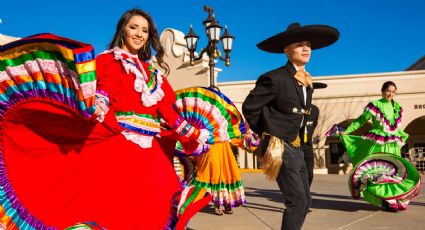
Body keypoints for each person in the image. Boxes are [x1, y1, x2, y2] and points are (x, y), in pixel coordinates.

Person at [0, 8, 211, 229]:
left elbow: (168, 111)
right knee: (123, 208)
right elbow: (103, 92)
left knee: (162, 199)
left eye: (145, 30)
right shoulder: (110, 60)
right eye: (134, 27)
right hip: (122, 147)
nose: (139, 34)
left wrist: (194, 134)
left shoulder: (153, 73)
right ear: (123, 30)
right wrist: (98, 106)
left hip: (153, 152)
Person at [242, 22, 339, 230]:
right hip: (280, 145)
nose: (306, 49)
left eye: (308, 45)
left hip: (298, 148)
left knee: (305, 201)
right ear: (287, 50)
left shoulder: (306, 81)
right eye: (299, 44)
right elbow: (250, 108)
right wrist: (269, 133)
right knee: (297, 202)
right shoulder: (275, 78)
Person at [336, 81, 421, 211]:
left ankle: (393, 198)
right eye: (388, 91)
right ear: (382, 91)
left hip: (392, 144)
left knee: (394, 171)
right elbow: (361, 120)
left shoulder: (397, 107)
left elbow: (395, 127)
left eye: (393, 92)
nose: (390, 94)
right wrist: (347, 131)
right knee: (380, 171)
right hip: (378, 142)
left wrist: (400, 135)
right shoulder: (375, 105)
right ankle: (386, 201)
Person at [190, 140, 246, 215]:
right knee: (215, 173)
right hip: (211, 145)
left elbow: (232, 130)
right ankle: (217, 203)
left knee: (227, 173)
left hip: (224, 147)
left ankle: (227, 202)